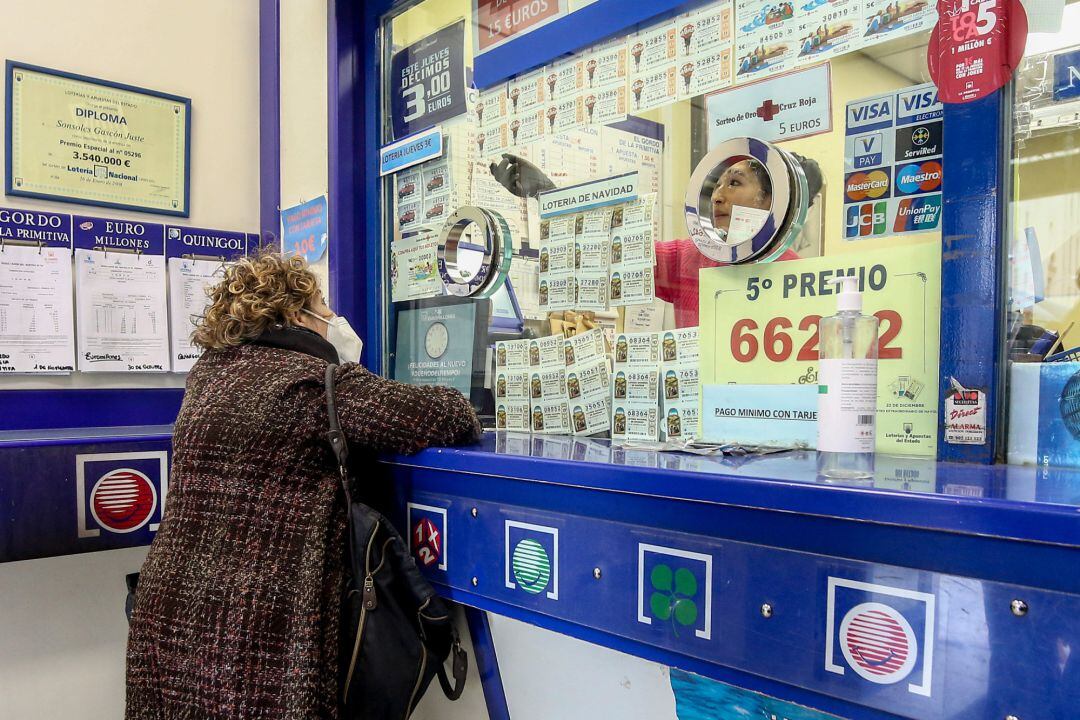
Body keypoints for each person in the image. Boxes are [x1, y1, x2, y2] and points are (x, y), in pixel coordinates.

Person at [125, 252, 481, 719]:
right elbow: (451, 413)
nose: (334, 317)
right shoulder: (313, 382)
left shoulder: (208, 376)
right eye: (324, 305)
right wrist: (351, 372)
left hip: (170, 614)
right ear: (297, 314)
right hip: (255, 626)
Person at [490, 151, 822, 327]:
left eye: (734, 184)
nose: (718, 197)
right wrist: (549, 195)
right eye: (717, 186)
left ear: (769, 200)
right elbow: (616, 248)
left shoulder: (797, 278)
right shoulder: (691, 257)